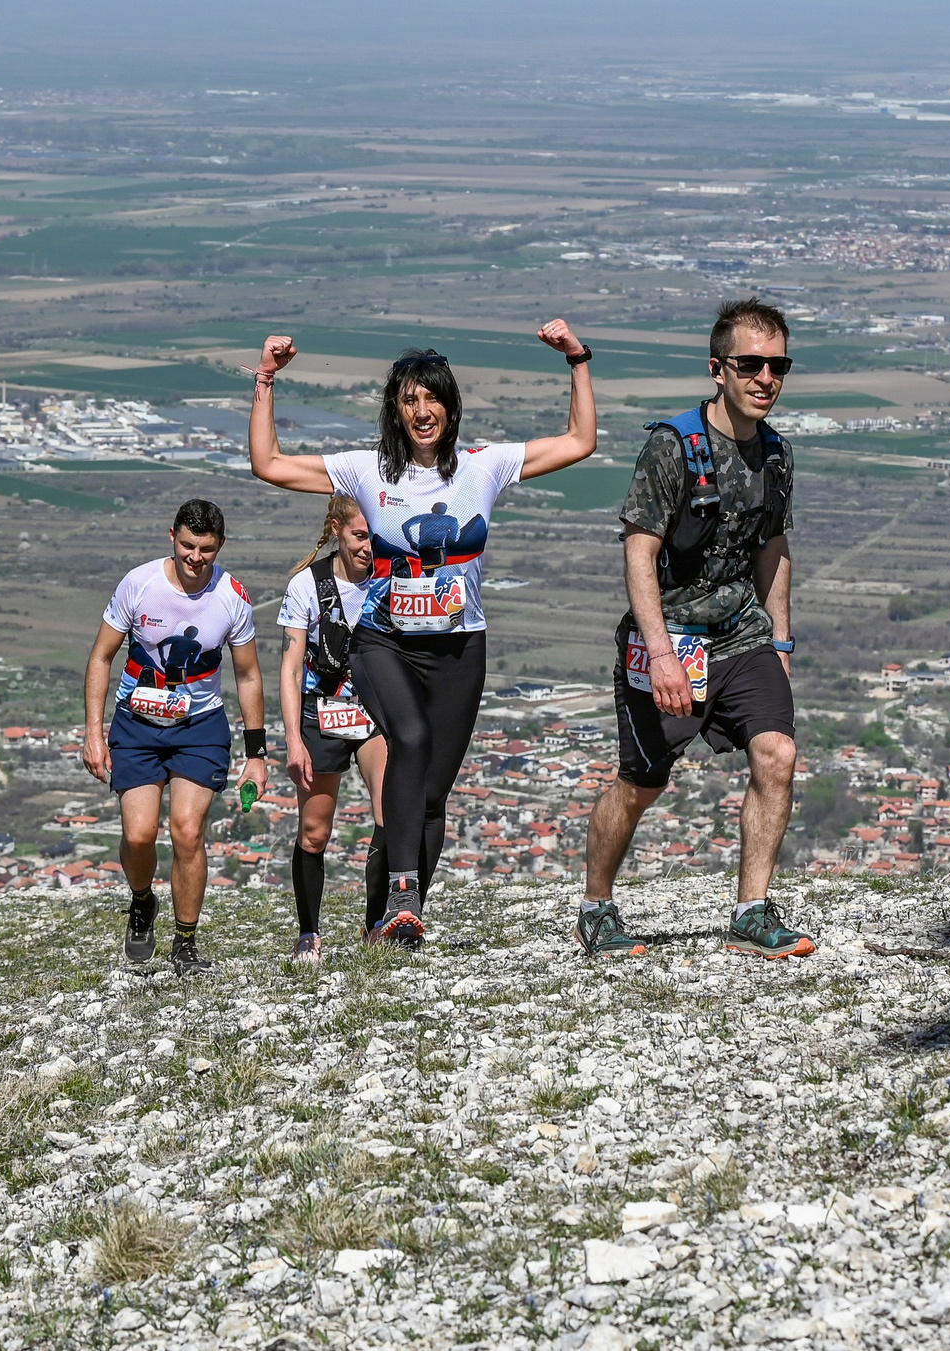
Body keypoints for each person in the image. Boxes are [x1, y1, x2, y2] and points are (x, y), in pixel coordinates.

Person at [250, 320, 597, 948]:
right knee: (407, 740)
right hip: (384, 641)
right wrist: (267, 379)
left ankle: (391, 917)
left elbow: (580, 442)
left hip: (460, 646)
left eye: (431, 396)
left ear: (449, 404)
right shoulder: (364, 471)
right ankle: (405, 892)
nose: (421, 410)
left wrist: (577, 359)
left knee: (432, 794)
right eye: (408, 399)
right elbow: (268, 463)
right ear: (395, 410)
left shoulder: (481, 468)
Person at [579, 297, 813, 959]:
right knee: (641, 783)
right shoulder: (672, 448)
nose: (765, 377)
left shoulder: (775, 456)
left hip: (740, 634)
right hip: (669, 637)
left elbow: (774, 548)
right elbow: (639, 549)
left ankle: (750, 911)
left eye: (778, 365)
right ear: (718, 368)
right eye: (751, 364)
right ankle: (596, 905)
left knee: (779, 755)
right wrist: (658, 653)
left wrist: (782, 642)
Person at [82, 498, 267, 976]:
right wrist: (94, 733)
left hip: (199, 726)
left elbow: (247, 676)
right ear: (172, 537)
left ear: (219, 546)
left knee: (187, 831)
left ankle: (185, 942)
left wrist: (256, 754)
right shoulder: (138, 584)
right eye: (187, 545)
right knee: (139, 834)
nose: (195, 557)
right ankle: (142, 901)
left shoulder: (233, 596)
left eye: (206, 549)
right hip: (137, 723)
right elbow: (102, 656)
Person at [278, 494, 391, 965]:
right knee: (314, 831)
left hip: (373, 711)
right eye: (360, 536)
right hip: (319, 712)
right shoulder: (307, 585)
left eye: (375, 537)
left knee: (390, 815)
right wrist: (291, 740)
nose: (368, 546)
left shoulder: (390, 578)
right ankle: (309, 933)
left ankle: (376, 926)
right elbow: (288, 664)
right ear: (337, 530)